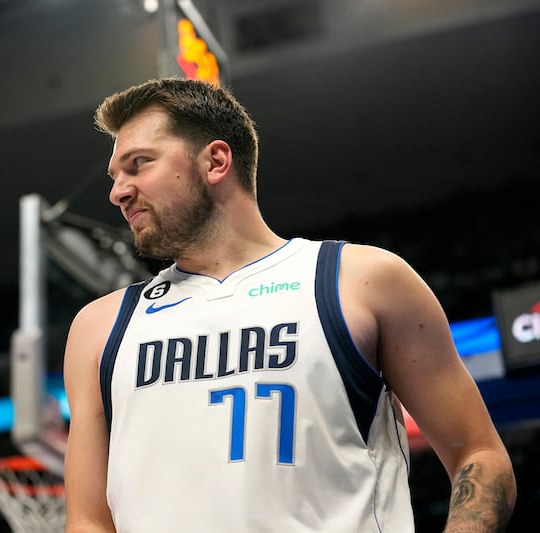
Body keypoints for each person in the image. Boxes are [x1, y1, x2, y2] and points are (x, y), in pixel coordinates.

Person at [62, 77, 516, 532]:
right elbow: (88, 521)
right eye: (115, 176)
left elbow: (478, 454)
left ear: (216, 161)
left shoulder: (359, 281)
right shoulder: (100, 328)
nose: (118, 191)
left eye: (138, 165)